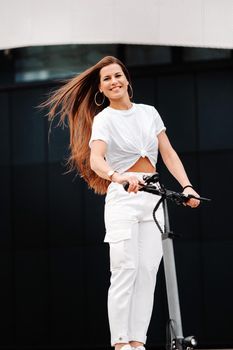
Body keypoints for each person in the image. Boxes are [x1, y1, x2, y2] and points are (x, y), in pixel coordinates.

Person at [44, 56, 200, 350]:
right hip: (123, 198)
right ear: (101, 90)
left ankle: (137, 342)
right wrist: (117, 177)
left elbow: (167, 153)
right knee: (125, 269)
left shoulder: (148, 113)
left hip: (154, 198)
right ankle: (120, 343)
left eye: (118, 76)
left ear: (127, 80)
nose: (114, 81)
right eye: (107, 79)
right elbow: (96, 159)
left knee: (147, 271)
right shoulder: (105, 120)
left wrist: (187, 186)